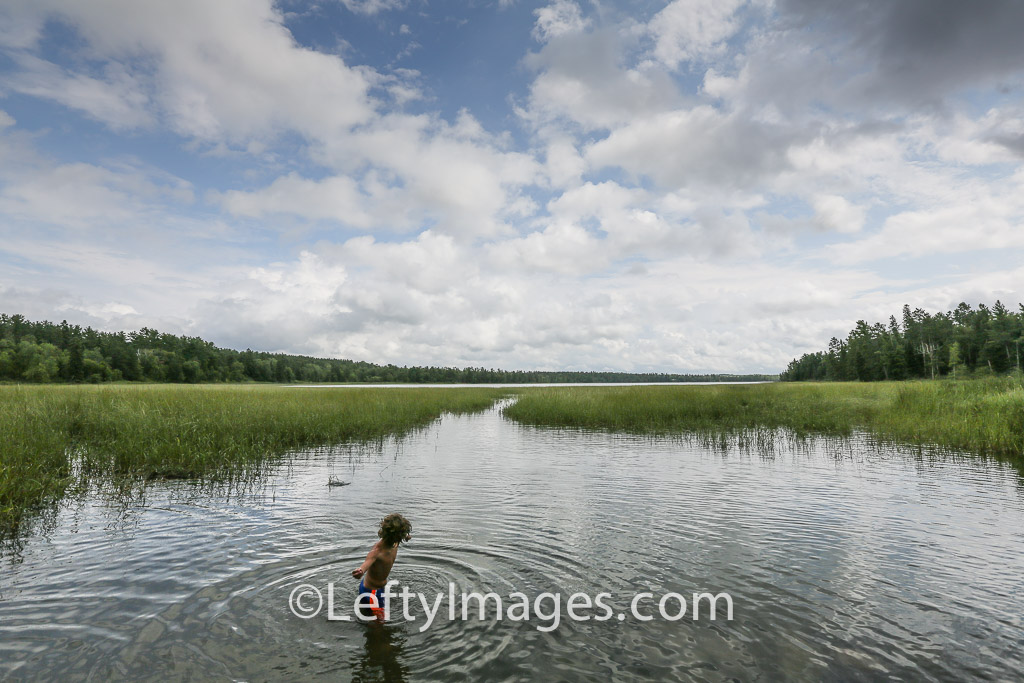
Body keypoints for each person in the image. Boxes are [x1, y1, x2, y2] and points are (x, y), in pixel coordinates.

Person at [352, 513, 412, 620]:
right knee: (379, 623)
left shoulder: (394, 543)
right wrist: (360, 571)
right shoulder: (377, 552)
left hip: (372, 588)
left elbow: (400, 537)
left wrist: (406, 537)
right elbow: (365, 565)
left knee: (368, 614)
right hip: (372, 592)